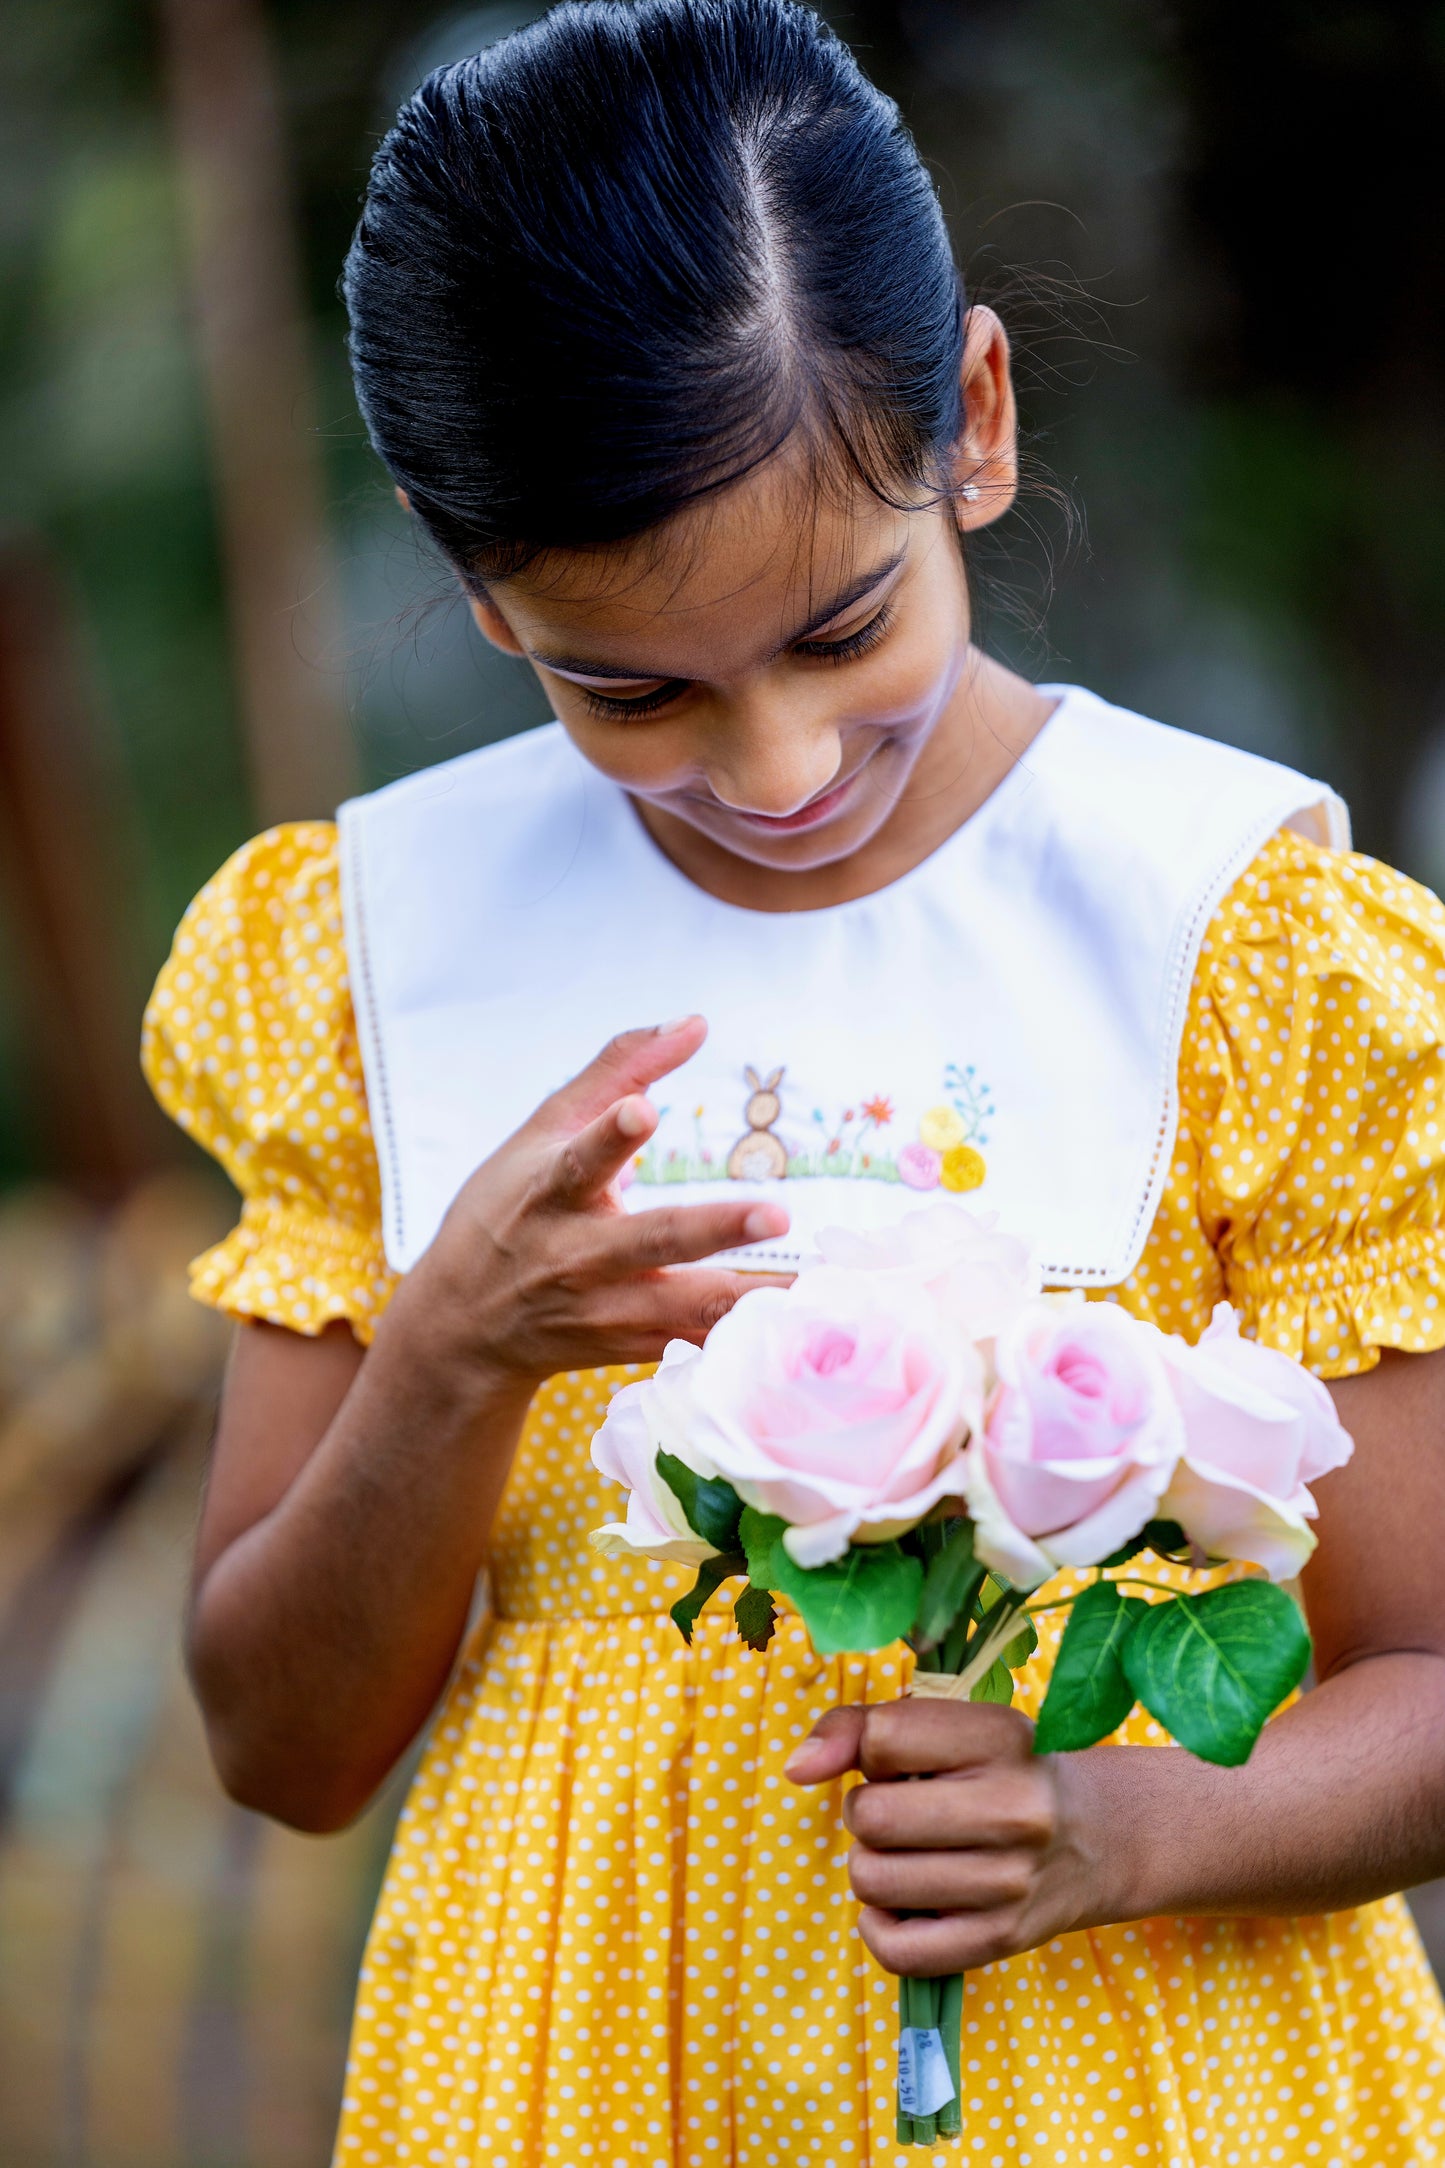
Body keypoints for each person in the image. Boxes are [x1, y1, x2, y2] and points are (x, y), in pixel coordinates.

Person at [142, 3, 1445, 2162]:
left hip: (1130, 2088)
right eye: (630, 689)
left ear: (979, 423)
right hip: (577, 2084)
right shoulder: (387, 946)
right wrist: (451, 1350)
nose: (773, 771)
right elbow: (281, 1747)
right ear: (480, 593)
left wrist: (1112, 1826)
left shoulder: (1230, 934)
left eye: (846, 631)